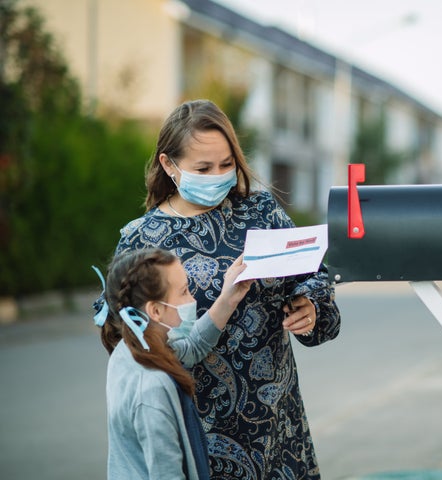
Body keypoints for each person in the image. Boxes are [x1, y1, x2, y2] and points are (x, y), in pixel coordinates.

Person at [114, 99, 342, 479]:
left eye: (226, 164)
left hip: (276, 430)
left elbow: (317, 276)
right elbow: (122, 338)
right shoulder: (141, 240)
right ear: (170, 166)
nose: (218, 176)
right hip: (194, 430)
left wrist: (312, 306)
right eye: (203, 168)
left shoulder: (261, 212)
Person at [95, 247, 252, 480]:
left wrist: (228, 299)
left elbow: (192, 347)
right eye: (184, 291)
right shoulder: (151, 390)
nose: (192, 299)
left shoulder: (133, 346)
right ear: (156, 310)